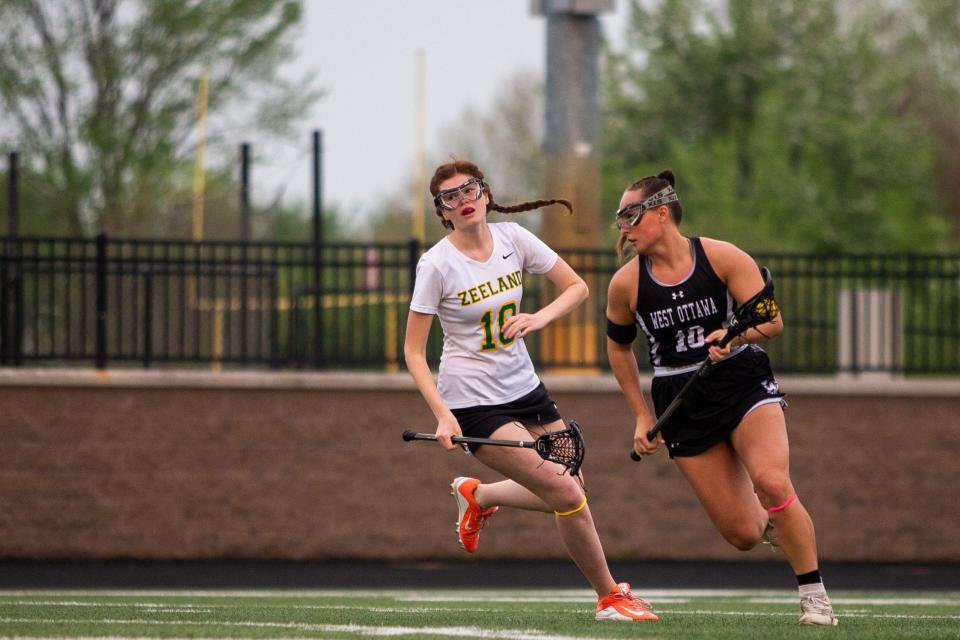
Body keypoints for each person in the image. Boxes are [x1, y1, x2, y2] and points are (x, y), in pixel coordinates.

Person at [404, 159, 658, 622]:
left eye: (469, 190)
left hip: (526, 389)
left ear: (485, 192)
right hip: (473, 402)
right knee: (566, 493)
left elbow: (577, 287)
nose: (462, 201)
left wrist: (539, 319)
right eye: (450, 198)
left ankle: (480, 496)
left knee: (574, 484)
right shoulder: (436, 264)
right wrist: (443, 414)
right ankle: (610, 597)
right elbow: (414, 353)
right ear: (442, 211)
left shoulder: (513, 239)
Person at [605, 170, 838, 627]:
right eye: (620, 219)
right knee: (742, 534)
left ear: (663, 212)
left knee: (771, 481)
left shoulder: (722, 257)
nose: (624, 229)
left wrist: (733, 338)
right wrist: (639, 415)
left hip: (740, 380)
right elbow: (618, 348)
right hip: (681, 396)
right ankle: (775, 522)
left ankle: (815, 597)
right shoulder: (625, 285)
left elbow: (771, 323)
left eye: (631, 216)